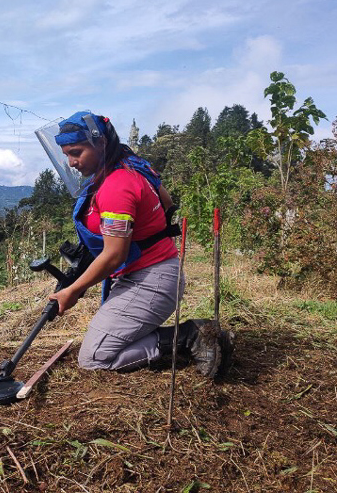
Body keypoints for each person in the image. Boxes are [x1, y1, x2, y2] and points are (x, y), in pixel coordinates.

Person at [47, 111, 232, 377]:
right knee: (105, 342)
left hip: (151, 280)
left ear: (101, 143)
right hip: (149, 272)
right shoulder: (131, 166)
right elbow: (166, 204)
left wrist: (73, 290)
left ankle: (189, 336)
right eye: (66, 154)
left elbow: (114, 255)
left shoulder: (116, 185)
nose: (71, 162)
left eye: (76, 152)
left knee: (95, 357)